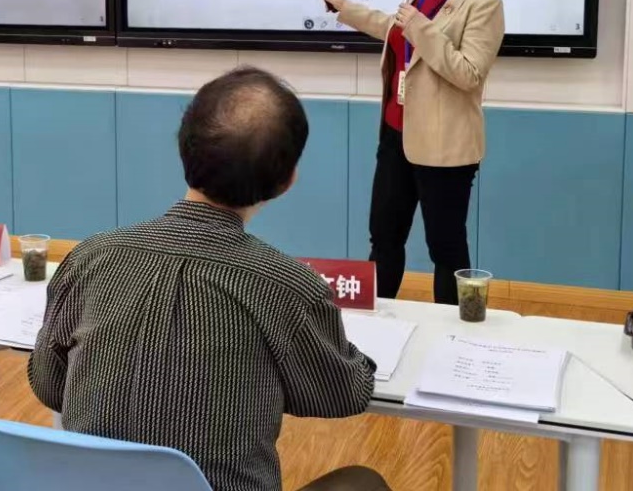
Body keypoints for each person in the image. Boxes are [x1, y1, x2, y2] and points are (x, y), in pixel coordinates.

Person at [29, 67, 386, 491]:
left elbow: (49, 384)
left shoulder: (92, 256)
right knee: (363, 482)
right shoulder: (288, 287)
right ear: (287, 180)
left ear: (184, 150)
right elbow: (342, 394)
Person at [321, 0, 505, 305]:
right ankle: (374, 321)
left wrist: (422, 28)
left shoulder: (485, 2)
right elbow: (396, 28)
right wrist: (348, 10)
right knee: (384, 236)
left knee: (446, 247)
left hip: (444, 146)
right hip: (396, 132)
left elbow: (469, 73)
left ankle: (456, 331)